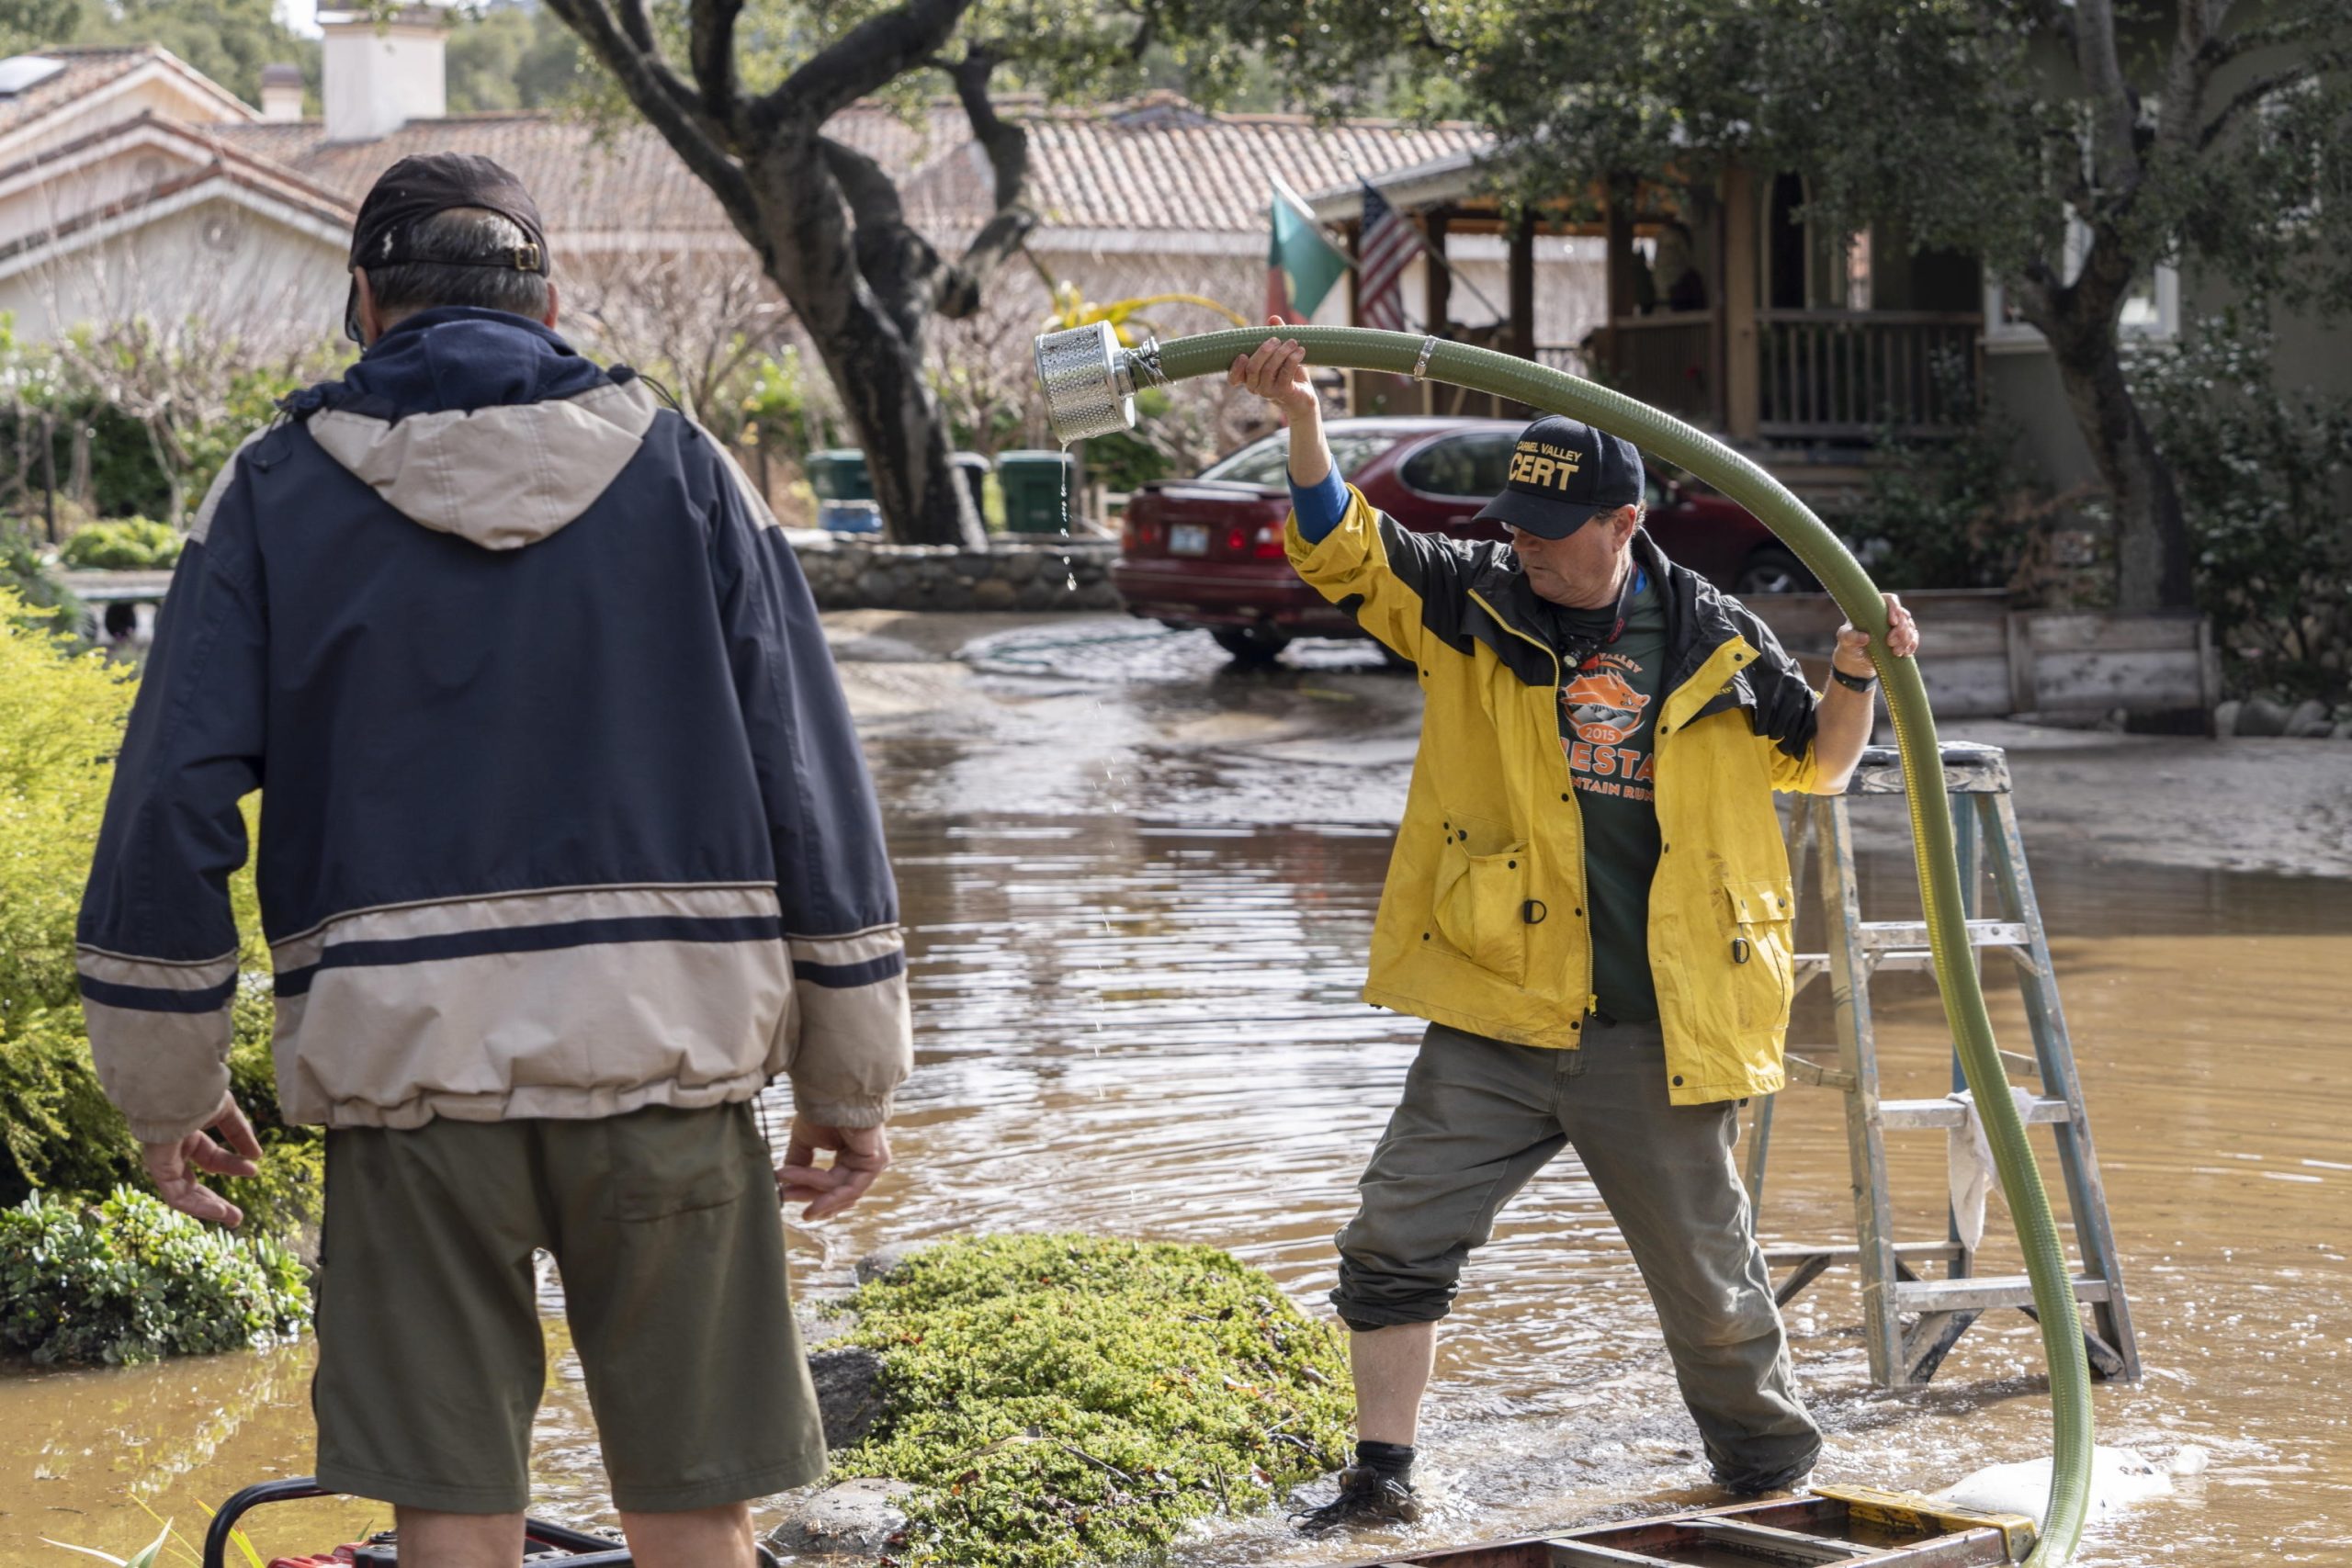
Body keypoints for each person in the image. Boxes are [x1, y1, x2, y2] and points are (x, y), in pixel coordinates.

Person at [75, 153, 911, 1568]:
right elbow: (812, 780)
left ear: (365, 305)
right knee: (697, 1500)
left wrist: (167, 1084)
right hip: (668, 1064)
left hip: (409, 1086)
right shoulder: (693, 471)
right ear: (554, 299)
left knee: (450, 1508)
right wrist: (850, 1075)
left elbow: (170, 800)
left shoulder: (273, 491)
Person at [1227, 328, 1919, 1534]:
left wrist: (1857, 671)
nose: (1527, 550)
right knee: (1392, 1242)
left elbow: (1819, 763)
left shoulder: (1717, 641)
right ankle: (1382, 1479)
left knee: (1710, 1293)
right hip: (1499, 1005)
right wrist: (1302, 424)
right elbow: (1343, 546)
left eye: (1552, 534)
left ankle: (1772, 1485)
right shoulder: (1468, 603)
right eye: (1516, 530)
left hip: (1656, 1029)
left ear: (1622, 522)